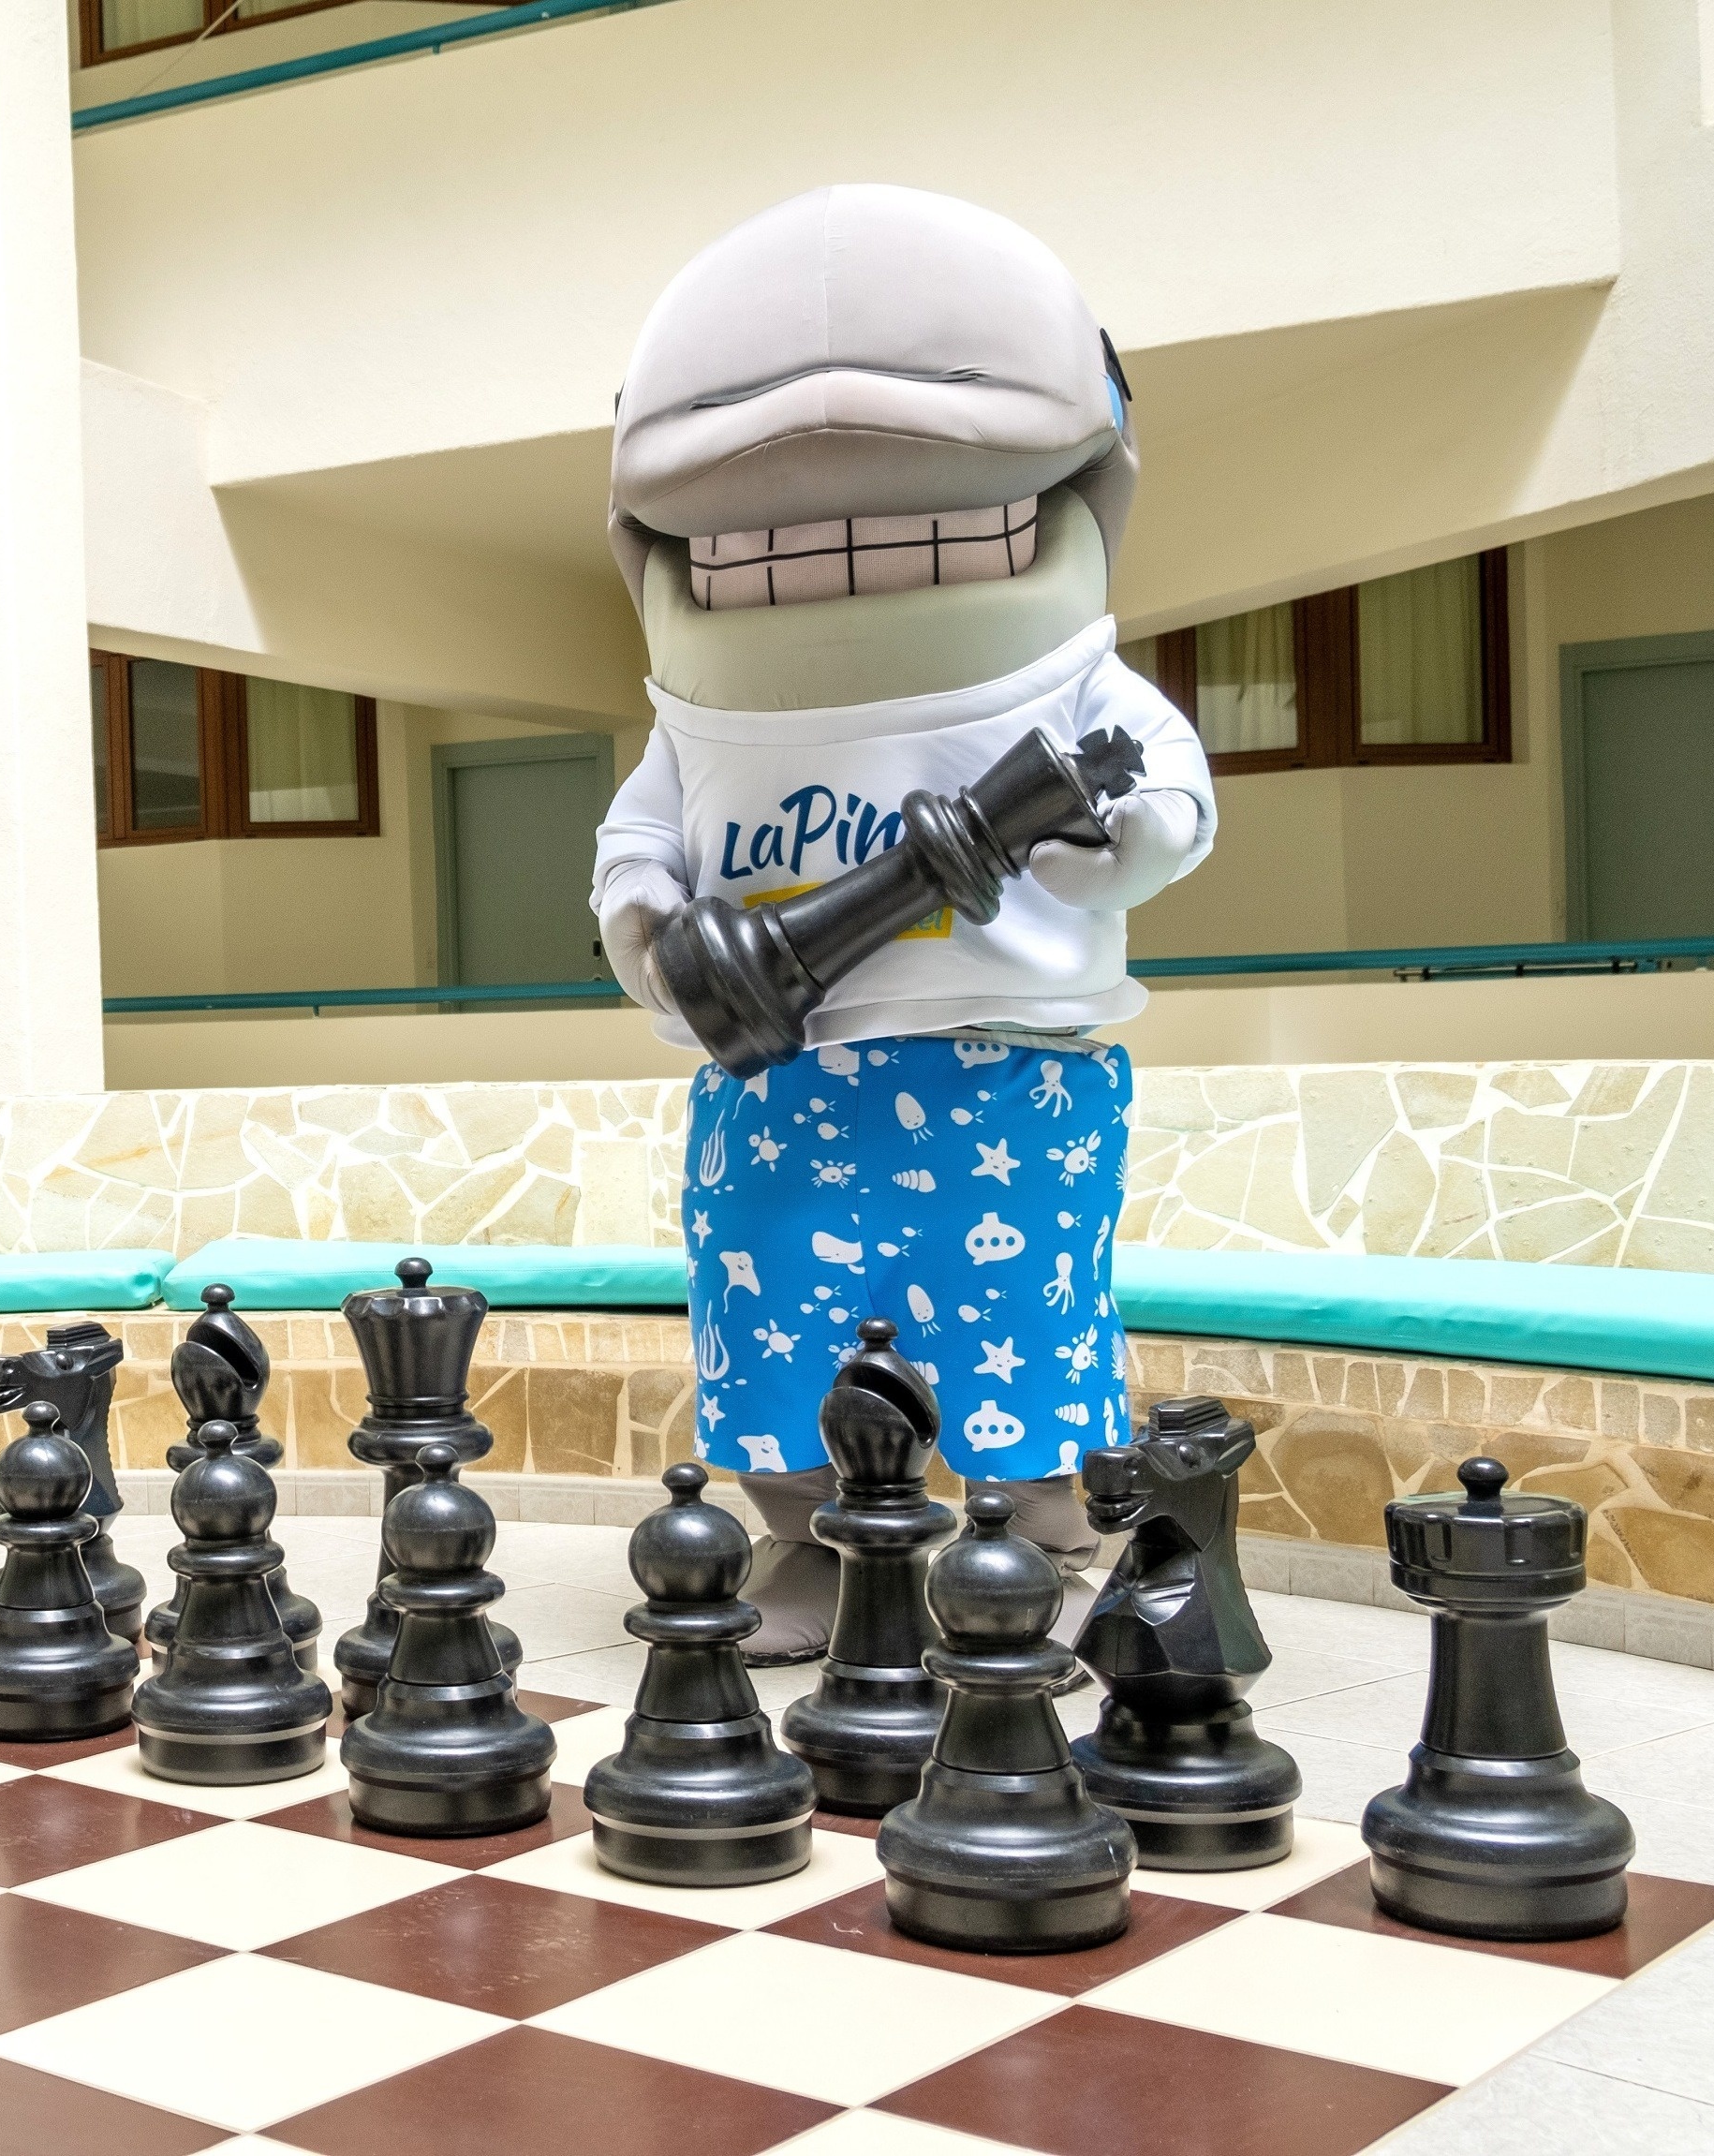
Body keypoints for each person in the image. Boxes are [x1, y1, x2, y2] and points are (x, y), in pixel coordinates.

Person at [592, 185, 1216, 1665]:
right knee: (775, 1310)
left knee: (1015, 1316)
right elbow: (637, 843)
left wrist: (1101, 829)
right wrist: (652, 930)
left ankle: (1039, 1547)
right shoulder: (693, 718)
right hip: (778, 1083)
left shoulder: (1078, 690)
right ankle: (807, 1536)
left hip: (1007, 1070)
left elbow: (1170, 808)